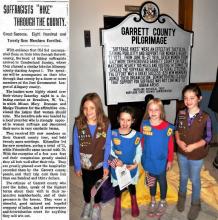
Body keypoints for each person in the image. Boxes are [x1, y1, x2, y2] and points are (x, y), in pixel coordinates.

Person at [175, 83, 212, 220]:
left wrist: (194, 146)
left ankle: (196, 204)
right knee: (183, 176)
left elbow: (208, 137)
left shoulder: (206, 117)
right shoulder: (181, 113)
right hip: (181, 152)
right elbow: (176, 130)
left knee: (195, 179)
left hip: (197, 154)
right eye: (185, 98)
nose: (188, 101)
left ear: (199, 98)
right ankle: (182, 197)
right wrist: (178, 141)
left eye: (192, 98)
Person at [73, 92, 111, 220]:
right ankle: (87, 203)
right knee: (87, 185)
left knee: (98, 186)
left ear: (98, 108)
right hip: (85, 164)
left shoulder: (106, 124)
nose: (88, 111)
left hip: (100, 163)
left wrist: (106, 164)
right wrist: (77, 166)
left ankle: (97, 206)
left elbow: (108, 145)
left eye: (92, 108)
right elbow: (76, 146)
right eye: (85, 108)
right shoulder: (79, 124)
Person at [141, 98, 174, 217]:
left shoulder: (168, 127)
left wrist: (170, 160)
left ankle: (163, 201)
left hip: (161, 161)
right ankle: (153, 200)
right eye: (151, 109)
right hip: (149, 160)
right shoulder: (144, 125)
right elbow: (142, 142)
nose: (153, 112)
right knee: (151, 181)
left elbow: (171, 145)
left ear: (161, 111)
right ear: (147, 111)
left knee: (162, 181)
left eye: (156, 109)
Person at [109, 106, 142, 220]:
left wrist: (136, 163)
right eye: (122, 119)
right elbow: (109, 150)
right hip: (118, 167)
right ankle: (117, 204)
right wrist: (115, 160)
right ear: (118, 119)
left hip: (130, 167)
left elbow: (139, 151)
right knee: (118, 186)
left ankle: (134, 200)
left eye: (128, 120)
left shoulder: (137, 135)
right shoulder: (113, 134)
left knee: (131, 185)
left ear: (133, 121)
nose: (125, 123)